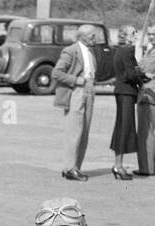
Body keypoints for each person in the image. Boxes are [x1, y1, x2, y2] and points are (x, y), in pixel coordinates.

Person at [52, 25, 99, 182]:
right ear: (83, 36)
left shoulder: (90, 51)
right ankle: (70, 168)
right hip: (76, 92)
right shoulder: (71, 50)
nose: (95, 38)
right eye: (92, 36)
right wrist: (76, 80)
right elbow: (57, 73)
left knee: (84, 130)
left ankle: (76, 167)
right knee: (74, 131)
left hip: (89, 91)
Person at [109, 25, 145, 181]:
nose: (135, 35)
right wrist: (142, 84)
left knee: (121, 126)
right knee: (125, 128)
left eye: (136, 33)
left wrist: (142, 76)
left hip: (121, 91)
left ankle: (118, 164)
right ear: (124, 36)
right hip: (127, 92)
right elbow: (131, 73)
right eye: (133, 33)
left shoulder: (120, 50)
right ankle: (118, 166)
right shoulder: (128, 50)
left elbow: (134, 69)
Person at [135, 22, 155, 177]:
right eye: (149, 34)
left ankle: (147, 168)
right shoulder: (153, 49)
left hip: (150, 94)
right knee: (148, 130)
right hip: (151, 92)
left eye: (154, 34)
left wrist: (137, 55)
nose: (151, 37)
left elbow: (143, 69)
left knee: (145, 131)